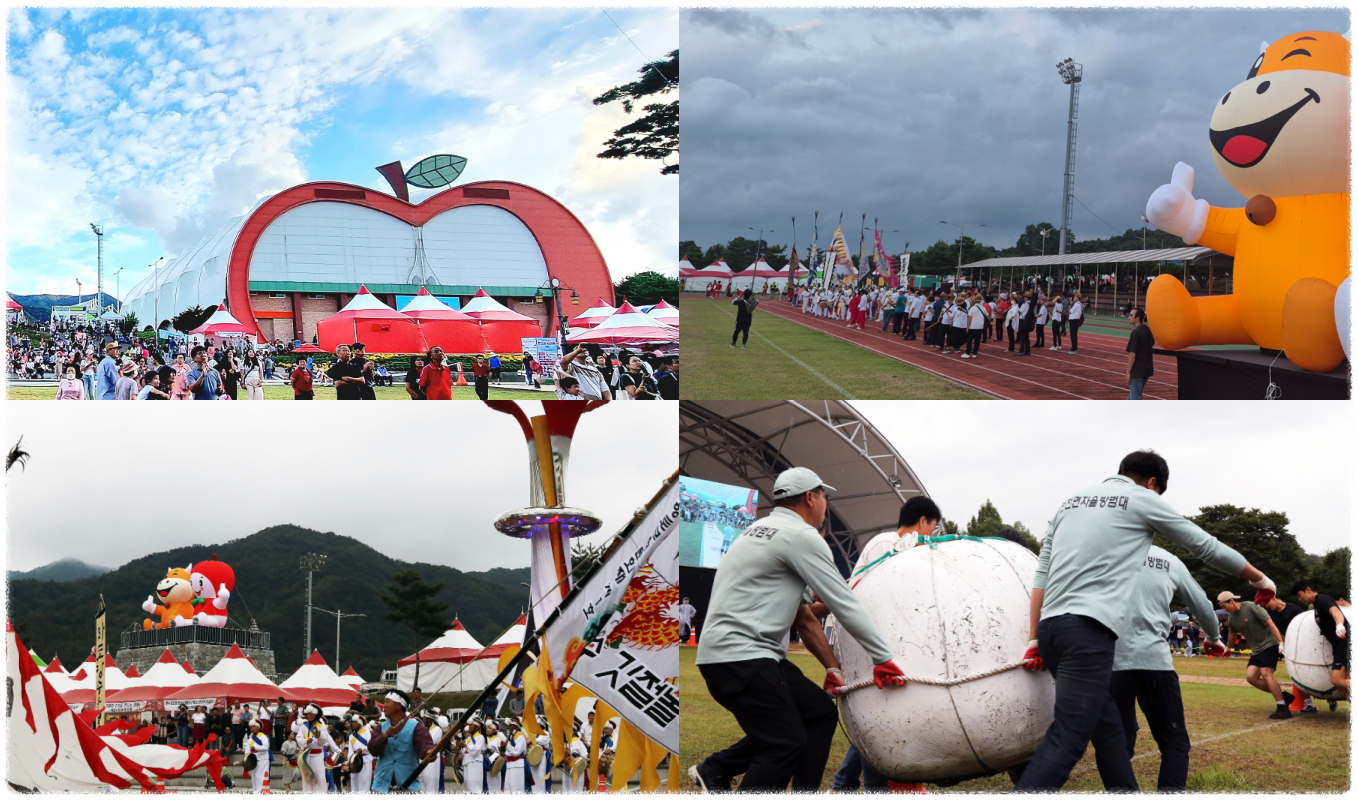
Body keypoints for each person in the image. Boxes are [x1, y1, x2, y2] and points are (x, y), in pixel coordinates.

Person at [1016, 449, 1274, 791]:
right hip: (1088, 632)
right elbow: (1205, 547)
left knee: (1110, 732)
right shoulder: (1140, 497)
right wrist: (1259, 579)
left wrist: (1035, 639)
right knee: (1069, 738)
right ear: (1152, 482)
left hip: (1052, 629)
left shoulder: (1069, 503)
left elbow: (1042, 575)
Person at [692, 467, 907, 792]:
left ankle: (735, 774)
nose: (825, 506)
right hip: (745, 657)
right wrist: (884, 657)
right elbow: (844, 603)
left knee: (819, 714)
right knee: (783, 743)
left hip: (725, 657)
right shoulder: (801, 537)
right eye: (824, 496)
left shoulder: (757, 530)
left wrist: (832, 667)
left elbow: (802, 615)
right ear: (810, 497)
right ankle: (718, 770)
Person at [1109, 545, 1227, 792]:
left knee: (1117, 740)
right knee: (1174, 743)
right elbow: (1201, 604)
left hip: (1110, 661)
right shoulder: (1168, 560)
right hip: (1155, 661)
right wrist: (1214, 637)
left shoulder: (1099, 552)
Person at [1219, 591, 1292, 717]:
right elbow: (1232, 634)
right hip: (1257, 649)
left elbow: (1270, 624)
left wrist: (1281, 642)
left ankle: (1282, 708)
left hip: (1270, 644)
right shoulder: (1231, 618)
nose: (1225, 610)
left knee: (1265, 674)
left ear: (1231, 601)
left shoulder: (1251, 607)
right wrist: (1228, 648)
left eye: (1225, 607)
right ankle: (1283, 695)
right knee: (1251, 677)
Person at [1290, 580, 1349, 701]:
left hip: (1345, 643)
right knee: (1339, 684)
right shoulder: (1317, 605)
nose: (1300, 599)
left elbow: (1335, 611)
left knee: (1337, 680)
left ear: (1308, 590)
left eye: (1300, 595)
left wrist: (1339, 625)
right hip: (1338, 646)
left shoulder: (1322, 600)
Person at [1262, 594, 1319, 712]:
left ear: (1273, 598)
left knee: (1314, 671)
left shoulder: (1294, 609)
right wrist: (1282, 643)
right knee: (1297, 675)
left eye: (1267, 603)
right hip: (1290, 648)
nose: (1267, 606)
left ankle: (1330, 697)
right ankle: (1309, 704)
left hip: (1305, 645)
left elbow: (1306, 625)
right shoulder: (1274, 616)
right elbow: (1278, 633)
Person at [296, 703, 340, 793]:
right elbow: (298, 738)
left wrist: (319, 736)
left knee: (319, 778)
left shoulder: (322, 727)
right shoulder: (304, 727)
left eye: (311, 714)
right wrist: (306, 741)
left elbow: (325, 740)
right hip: (306, 756)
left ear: (316, 715)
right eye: (308, 714)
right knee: (307, 778)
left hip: (318, 755)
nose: (309, 716)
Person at [1126, 307, 1155, 400]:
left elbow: (1133, 354)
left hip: (1137, 370)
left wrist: (1128, 372)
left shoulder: (1135, 333)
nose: (1128, 317)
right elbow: (1152, 343)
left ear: (1137, 318)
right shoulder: (1147, 329)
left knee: (1135, 398)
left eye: (1131, 315)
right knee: (1132, 397)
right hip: (1147, 369)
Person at [244, 718, 271, 793]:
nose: (251, 729)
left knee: (260, 777)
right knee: (254, 777)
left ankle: (261, 793)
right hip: (253, 761)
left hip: (262, 760)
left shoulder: (263, 737)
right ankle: (255, 792)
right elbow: (247, 750)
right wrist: (246, 758)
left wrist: (255, 747)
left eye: (253, 727)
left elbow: (266, 747)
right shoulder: (250, 739)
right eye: (250, 727)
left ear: (258, 727)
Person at [462, 715, 487, 795]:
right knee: (469, 786)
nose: (469, 727)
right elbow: (465, 750)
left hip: (475, 762)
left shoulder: (480, 737)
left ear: (476, 727)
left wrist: (465, 745)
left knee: (476, 787)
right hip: (468, 761)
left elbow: (475, 751)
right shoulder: (469, 738)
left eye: (471, 725)